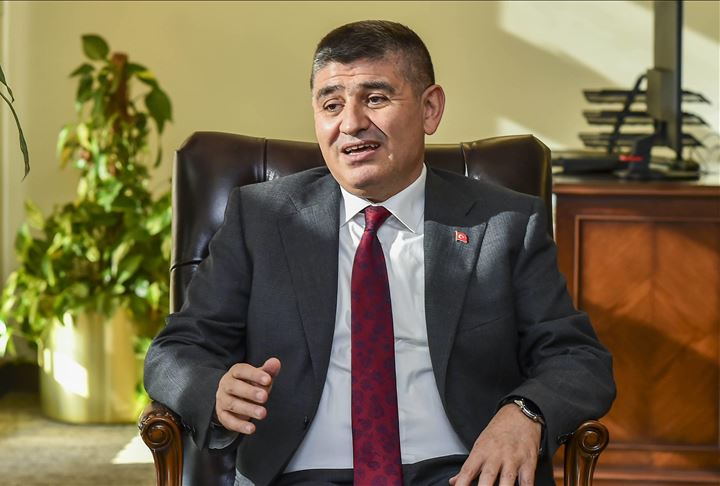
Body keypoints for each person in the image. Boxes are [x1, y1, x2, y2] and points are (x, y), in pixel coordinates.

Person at [144, 20, 615, 486]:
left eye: (375, 98)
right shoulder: (261, 218)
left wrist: (525, 412)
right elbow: (175, 351)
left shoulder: (504, 222)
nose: (351, 124)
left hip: (463, 470)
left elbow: (578, 357)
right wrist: (214, 390)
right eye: (331, 105)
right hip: (301, 474)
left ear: (430, 109)